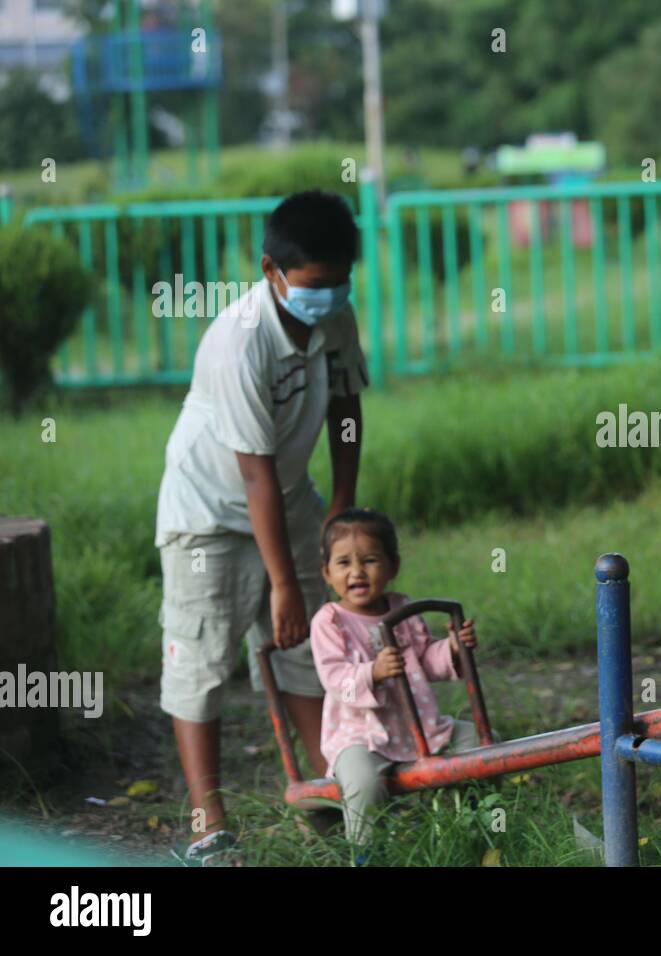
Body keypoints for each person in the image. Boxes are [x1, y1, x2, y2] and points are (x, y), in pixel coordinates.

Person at [155, 190, 368, 864]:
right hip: (209, 512)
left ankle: (324, 789)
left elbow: (347, 411)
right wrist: (283, 582)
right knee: (203, 657)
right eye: (314, 286)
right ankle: (208, 821)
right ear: (270, 269)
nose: (329, 297)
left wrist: (341, 504)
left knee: (314, 647)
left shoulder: (336, 317)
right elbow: (254, 477)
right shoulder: (238, 342)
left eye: (340, 283)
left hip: (290, 496)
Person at [311, 508, 485, 850]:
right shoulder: (330, 621)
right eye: (344, 563)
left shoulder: (401, 610)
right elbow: (335, 679)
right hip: (362, 735)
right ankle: (366, 853)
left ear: (393, 566)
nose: (357, 571)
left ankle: (477, 830)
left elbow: (425, 661)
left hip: (420, 727)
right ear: (327, 573)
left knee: (479, 742)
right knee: (363, 780)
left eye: (370, 560)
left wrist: (452, 648)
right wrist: (370, 673)